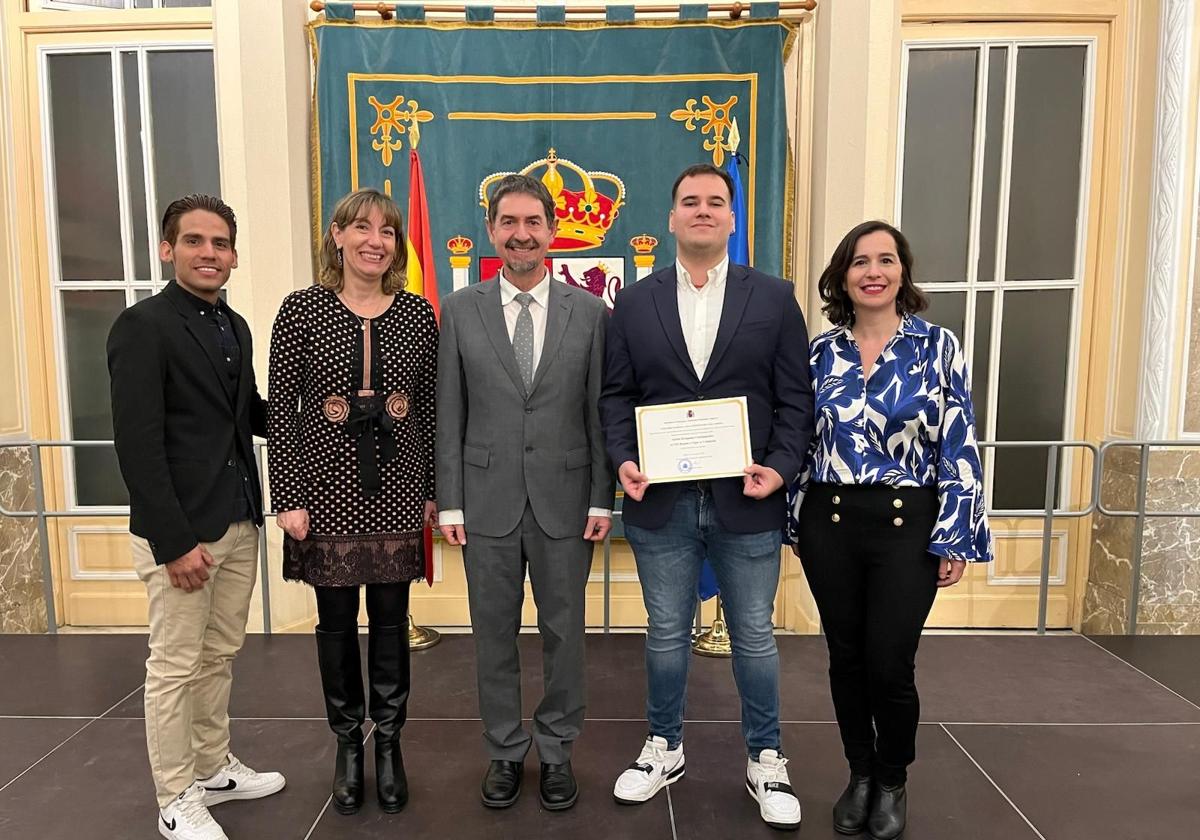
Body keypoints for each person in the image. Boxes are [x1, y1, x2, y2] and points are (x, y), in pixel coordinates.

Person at [599, 163, 814, 831]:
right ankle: (664, 747)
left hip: (745, 501)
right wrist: (624, 460)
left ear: (731, 218)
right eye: (689, 201)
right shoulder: (634, 303)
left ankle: (766, 758)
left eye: (714, 202)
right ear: (670, 218)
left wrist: (779, 468)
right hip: (660, 502)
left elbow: (795, 400)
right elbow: (616, 397)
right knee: (665, 635)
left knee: (753, 636)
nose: (701, 211)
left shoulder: (774, 298)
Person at [787, 220, 992, 840]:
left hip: (908, 523)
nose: (872, 271)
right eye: (859, 261)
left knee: (890, 660)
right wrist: (791, 517)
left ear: (903, 272)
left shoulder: (938, 346)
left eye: (885, 259)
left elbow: (959, 439)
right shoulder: (820, 352)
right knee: (845, 658)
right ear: (842, 277)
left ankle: (893, 776)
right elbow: (799, 440)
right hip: (832, 521)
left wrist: (956, 531)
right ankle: (859, 774)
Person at [108, 194, 285, 840]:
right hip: (181, 534)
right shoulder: (142, 326)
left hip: (237, 519)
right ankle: (175, 794)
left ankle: (212, 768)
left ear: (234, 255)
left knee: (219, 656)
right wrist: (174, 542)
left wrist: (320, 417)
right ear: (167, 248)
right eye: (194, 241)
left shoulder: (232, 326)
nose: (209, 253)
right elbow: (138, 444)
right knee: (175, 666)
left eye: (220, 244)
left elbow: (246, 416)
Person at [435, 173, 614, 811]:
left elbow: (600, 411)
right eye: (507, 223)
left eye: (532, 223)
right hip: (484, 502)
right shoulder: (458, 311)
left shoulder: (591, 312)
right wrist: (449, 500)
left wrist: (602, 497)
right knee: (493, 634)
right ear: (491, 231)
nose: (520, 234)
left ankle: (559, 749)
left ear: (551, 230)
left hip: (567, 501)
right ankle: (506, 750)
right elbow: (448, 411)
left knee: (566, 634)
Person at [267, 188, 438, 816]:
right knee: (335, 623)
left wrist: (433, 492)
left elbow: (434, 409)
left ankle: (389, 745)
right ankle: (348, 746)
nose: (375, 240)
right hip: (324, 487)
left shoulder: (419, 315)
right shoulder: (301, 310)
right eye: (362, 227)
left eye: (388, 231)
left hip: (397, 485)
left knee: (393, 623)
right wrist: (288, 494)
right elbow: (282, 409)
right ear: (336, 235)